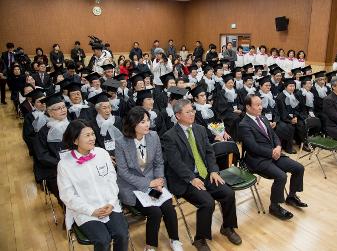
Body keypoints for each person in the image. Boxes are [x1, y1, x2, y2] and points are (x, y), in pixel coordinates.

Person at [161, 99, 241, 251]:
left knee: (228, 193)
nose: (192, 114)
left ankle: (228, 227)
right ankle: (200, 239)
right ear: (178, 115)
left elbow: (210, 153)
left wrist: (213, 171)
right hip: (185, 180)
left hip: (205, 174)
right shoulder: (169, 136)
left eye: (193, 111)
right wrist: (191, 179)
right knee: (207, 202)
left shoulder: (200, 129)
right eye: (188, 112)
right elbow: (175, 163)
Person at [115, 107, 183, 251]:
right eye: (142, 122)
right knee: (154, 212)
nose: (147, 125)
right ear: (133, 124)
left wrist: (159, 181)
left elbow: (159, 163)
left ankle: (175, 240)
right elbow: (123, 172)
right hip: (132, 187)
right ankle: (150, 245)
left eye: (148, 121)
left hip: (153, 186)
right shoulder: (121, 142)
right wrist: (148, 183)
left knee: (168, 207)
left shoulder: (153, 136)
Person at [58, 119, 129, 251]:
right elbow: (67, 196)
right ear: (75, 141)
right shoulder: (65, 164)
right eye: (87, 135)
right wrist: (91, 211)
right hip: (85, 210)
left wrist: (111, 203)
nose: (92, 138)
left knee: (122, 234)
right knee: (103, 240)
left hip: (109, 204)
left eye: (92, 134)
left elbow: (112, 180)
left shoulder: (101, 153)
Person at [239, 94, 307, 220]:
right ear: (248, 107)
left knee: (299, 168)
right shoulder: (244, 124)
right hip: (258, 159)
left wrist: (278, 147)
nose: (261, 107)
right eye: (257, 105)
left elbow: (274, 136)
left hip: (274, 154)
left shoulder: (263, 118)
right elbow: (252, 147)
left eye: (261, 104)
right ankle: (274, 206)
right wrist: (271, 152)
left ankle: (291, 196)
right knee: (281, 176)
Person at [33, 93, 69, 205]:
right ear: (50, 112)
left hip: (77, 164)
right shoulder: (43, 132)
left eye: (63, 107)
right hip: (55, 170)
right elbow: (42, 156)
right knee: (67, 197)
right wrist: (61, 164)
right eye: (58, 108)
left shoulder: (73, 125)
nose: (63, 110)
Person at [256, 76, 296, 153]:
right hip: (262, 120)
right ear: (260, 86)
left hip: (273, 120)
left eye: (269, 85)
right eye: (266, 85)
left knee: (287, 126)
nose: (268, 87)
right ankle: (274, 149)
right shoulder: (257, 97)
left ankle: (286, 147)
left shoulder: (271, 96)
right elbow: (257, 112)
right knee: (276, 128)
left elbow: (276, 110)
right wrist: (267, 122)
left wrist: (275, 121)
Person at [88, 92, 123, 161]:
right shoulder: (92, 124)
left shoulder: (117, 120)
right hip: (103, 157)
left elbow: (123, 138)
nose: (107, 110)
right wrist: (105, 156)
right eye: (104, 108)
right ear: (98, 109)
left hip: (120, 154)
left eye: (109, 107)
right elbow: (94, 144)